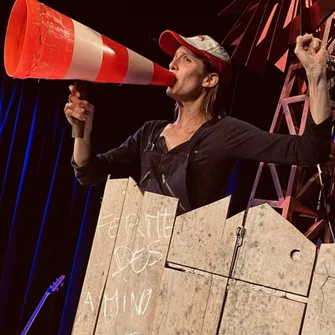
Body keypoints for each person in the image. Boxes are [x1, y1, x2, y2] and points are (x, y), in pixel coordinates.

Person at [64, 30, 331, 215]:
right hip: (136, 269)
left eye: (185, 59)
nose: (172, 64)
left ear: (209, 80)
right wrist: (83, 132)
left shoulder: (225, 133)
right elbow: (89, 174)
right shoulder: (150, 132)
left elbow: (309, 150)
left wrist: (316, 75)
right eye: (174, 58)